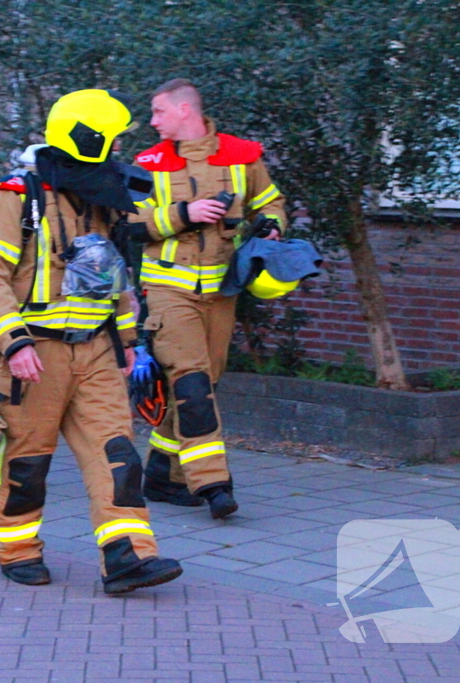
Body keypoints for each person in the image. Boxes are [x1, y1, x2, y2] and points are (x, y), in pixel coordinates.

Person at [0, 89, 183, 594]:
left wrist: (131, 342)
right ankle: (18, 548)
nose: (114, 153)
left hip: (96, 350)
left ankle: (128, 557)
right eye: (108, 142)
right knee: (28, 459)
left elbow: (116, 279)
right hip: (36, 354)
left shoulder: (101, 201)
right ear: (86, 139)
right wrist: (13, 342)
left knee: (116, 453)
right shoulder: (14, 197)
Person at [129, 79, 287, 520]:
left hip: (221, 293)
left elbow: (272, 204)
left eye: (158, 112)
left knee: (201, 386)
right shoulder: (149, 163)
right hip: (167, 292)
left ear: (185, 110)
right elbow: (128, 225)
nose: (153, 121)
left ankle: (163, 475)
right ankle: (213, 485)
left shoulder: (243, 156)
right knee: (193, 383)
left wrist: (272, 227)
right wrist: (185, 214)